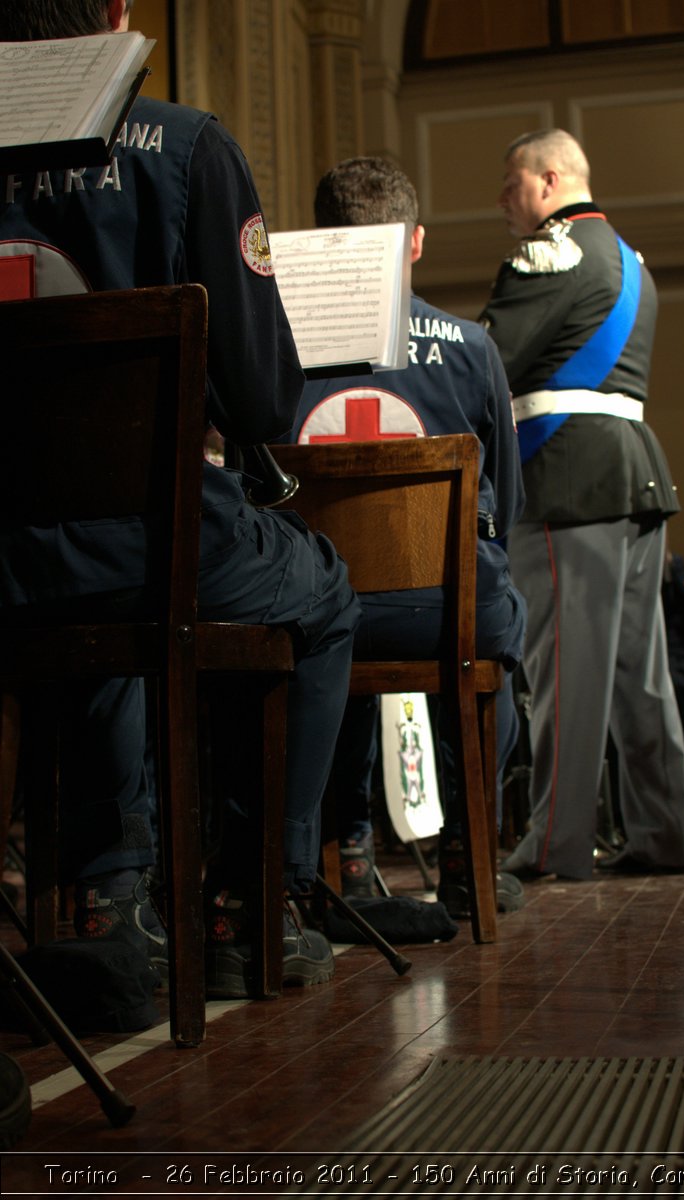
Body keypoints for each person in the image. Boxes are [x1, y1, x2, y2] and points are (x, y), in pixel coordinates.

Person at [0, 0, 361, 998]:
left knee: (89, 591)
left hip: (7, 552)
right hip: (151, 534)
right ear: (117, 16)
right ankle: (255, 902)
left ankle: (107, 906)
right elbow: (260, 394)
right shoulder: (185, 145)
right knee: (323, 592)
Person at [290, 156, 527, 919]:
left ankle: (346, 853)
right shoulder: (469, 346)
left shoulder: (276, 355)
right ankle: (468, 853)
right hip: (445, 609)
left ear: (323, 244)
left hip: (316, 611)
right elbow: (508, 500)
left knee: (335, 615)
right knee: (499, 626)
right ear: (415, 243)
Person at [479, 129, 684, 880]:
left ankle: (553, 844)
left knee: (563, 672)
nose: (502, 199)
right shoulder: (630, 261)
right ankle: (663, 834)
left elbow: (491, 360)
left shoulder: (555, 250)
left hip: (568, 478)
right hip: (633, 473)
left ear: (546, 181)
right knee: (639, 674)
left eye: (510, 183)